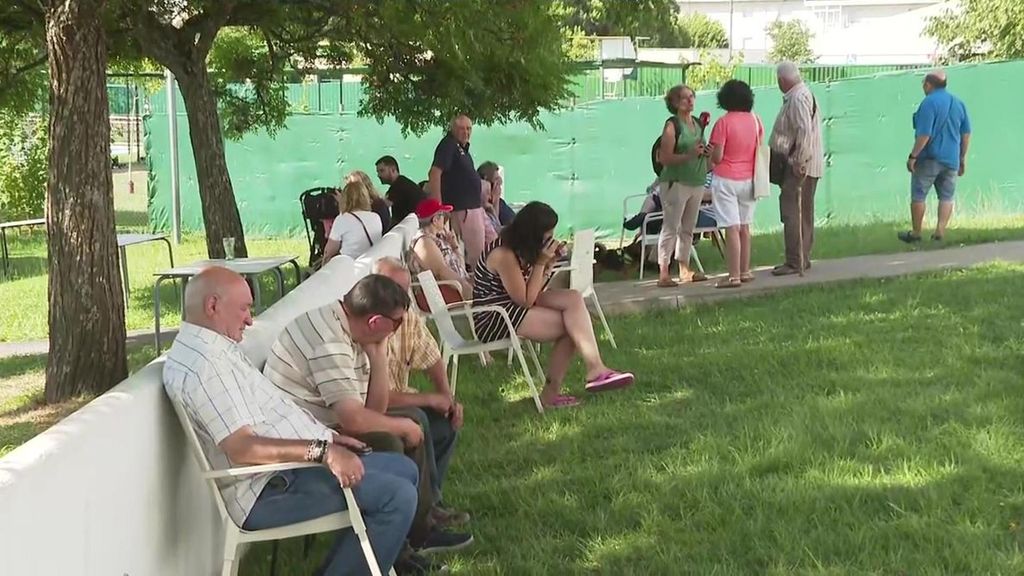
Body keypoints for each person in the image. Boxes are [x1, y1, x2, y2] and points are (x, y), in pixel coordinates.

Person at [163, 266, 418, 576]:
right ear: (213, 305)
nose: (250, 320)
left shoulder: (215, 349)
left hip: (287, 473)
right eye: (244, 308)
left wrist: (330, 438)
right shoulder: (205, 365)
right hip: (267, 490)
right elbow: (242, 448)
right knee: (398, 496)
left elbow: (274, 414)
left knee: (404, 469)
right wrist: (324, 451)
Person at [262, 274, 473, 563]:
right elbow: (354, 420)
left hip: (327, 424)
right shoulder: (330, 341)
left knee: (420, 420)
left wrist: (378, 354)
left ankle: (422, 524)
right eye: (397, 322)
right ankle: (404, 546)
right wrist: (402, 427)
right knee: (392, 439)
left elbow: (374, 409)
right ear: (375, 321)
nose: (400, 327)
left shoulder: (351, 327)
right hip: (309, 438)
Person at [473, 201, 634, 409]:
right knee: (571, 327)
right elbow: (526, 299)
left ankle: (596, 368)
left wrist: (547, 266)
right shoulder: (504, 254)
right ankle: (554, 393)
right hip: (494, 317)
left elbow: (533, 291)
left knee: (573, 298)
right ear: (532, 234)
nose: (551, 240)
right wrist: (541, 263)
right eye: (547, 236)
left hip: (512, 305)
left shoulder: (519, 247)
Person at [374, 257, 469, 529]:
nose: (400, 298)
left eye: (404, 291)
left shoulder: (406, 317)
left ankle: (431, 501)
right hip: (370, 410)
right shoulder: (368, 324)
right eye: (392, 289)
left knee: (444, 422)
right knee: (419, 418)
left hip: (395, 399)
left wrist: (447, 400)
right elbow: (373, 401)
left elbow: (432, 358)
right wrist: (429, 398)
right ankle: (423, 514)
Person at [900, 69, 972, 243]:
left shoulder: (928, 103)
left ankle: (916, 233)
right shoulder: (958, 103)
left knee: (919, 195)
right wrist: (962, 157)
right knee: (946, 196)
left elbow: (924, 134)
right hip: (951, 159)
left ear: (928, 85)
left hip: (929, 158)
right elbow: (966, 134)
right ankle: (940, 231)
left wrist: (913, 156)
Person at [769, 63, 824, 276]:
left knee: (793, 212)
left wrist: (800, 161)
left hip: (799, 166)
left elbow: (804, 131)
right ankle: (801, 258)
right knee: (802, 212)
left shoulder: (797, 98)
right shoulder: (801, 95)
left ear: (782, 80)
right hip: (805, 164)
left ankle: (795, 261)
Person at [708, 79, 763, 289]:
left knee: (732, 228)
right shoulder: (756, 120)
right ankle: (745, 271)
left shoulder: (723, 123)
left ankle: (733, 276)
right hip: (750, 179)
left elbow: (717, 157)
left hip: (725, 180)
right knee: (745, 227)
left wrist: (710, 153)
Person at [656, 84, 710, 287]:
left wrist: (706, 153)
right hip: (676, 182)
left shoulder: (697, 124)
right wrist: (689, 155)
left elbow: (701, 151)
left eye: (692, 96)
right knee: (671, 226)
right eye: (684, 98)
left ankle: (684, 269)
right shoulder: (672, 126)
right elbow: (665, 158)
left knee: (688, 228)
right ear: (675, 103)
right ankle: (663, 272)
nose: (690, 101)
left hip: (697, 181)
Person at [428, 115, 487, 275]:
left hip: (471, 208)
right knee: (477, 257)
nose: (466, 132)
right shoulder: (448, 145)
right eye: (461, 128)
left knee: (480, 252)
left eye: (469, 128)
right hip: (463, 210)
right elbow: (434, 173)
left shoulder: (461, 148)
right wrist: (439, 207)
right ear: (452, 129)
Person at [407, 198, 471, 309]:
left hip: (455, 288)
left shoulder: (438, 238)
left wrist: (454, 246)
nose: (445, 220)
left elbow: (460, 267)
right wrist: (467, 288)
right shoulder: (424, 242)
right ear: (435, 219)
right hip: (443, 295)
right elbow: (441, 272)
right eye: (443, 216)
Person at [322, 180, 384, 264]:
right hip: (372, 263)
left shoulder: (342, 219)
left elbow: (329, 251)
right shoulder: (376, 217)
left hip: (350, 265)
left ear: (344, 199)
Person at [376, 156, 427, 225]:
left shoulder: (399, 185)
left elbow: (382, 206)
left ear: (393, 170)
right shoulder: (401, 183)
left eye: (382, 171)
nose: (378, 175)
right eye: (378, 172)